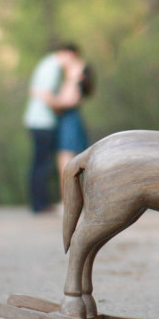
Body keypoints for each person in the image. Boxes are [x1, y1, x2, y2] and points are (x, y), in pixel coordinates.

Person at [23, 43, 82, 213]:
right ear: (67, 53)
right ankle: (39, 204)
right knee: (42, 164)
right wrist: (62, 105)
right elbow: (46, 95)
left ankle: (40, 203)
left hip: (39, 120)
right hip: (42, 121)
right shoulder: (52, 67)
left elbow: (39, 92)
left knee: (41, 163)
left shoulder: (48, 64)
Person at [54, 60, 95, 197]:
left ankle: (67, 201)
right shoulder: (74, 84)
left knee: (65, 165)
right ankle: (69, 200)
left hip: (69, 125)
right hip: (70, 124)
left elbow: (64, 101)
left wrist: (44, 96)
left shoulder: (75, 86)